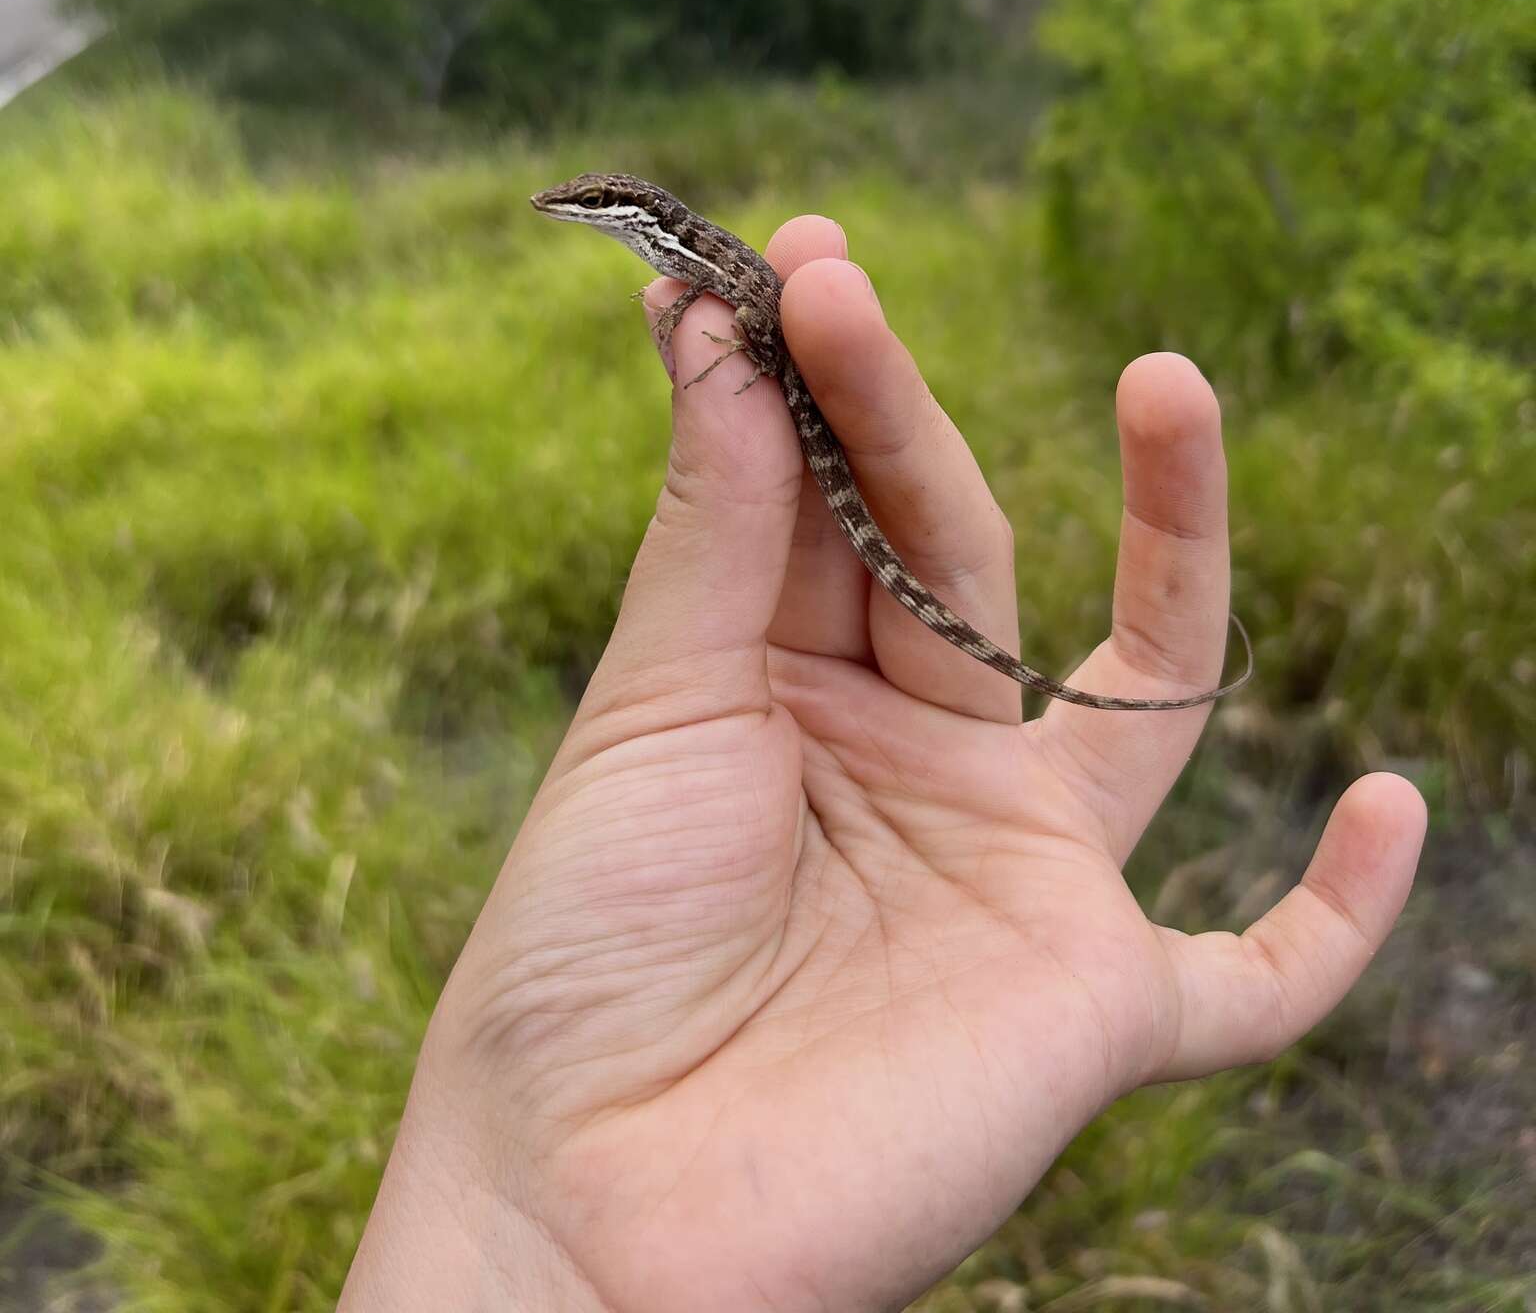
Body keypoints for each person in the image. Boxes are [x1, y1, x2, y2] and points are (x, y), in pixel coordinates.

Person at [339, 214, 1426, 1311]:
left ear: (629, 217)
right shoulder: (692, 272)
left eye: (588, 208)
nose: (578, 218)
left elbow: (758, 318)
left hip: (785, 367)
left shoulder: (693, 265)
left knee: (818, 395)